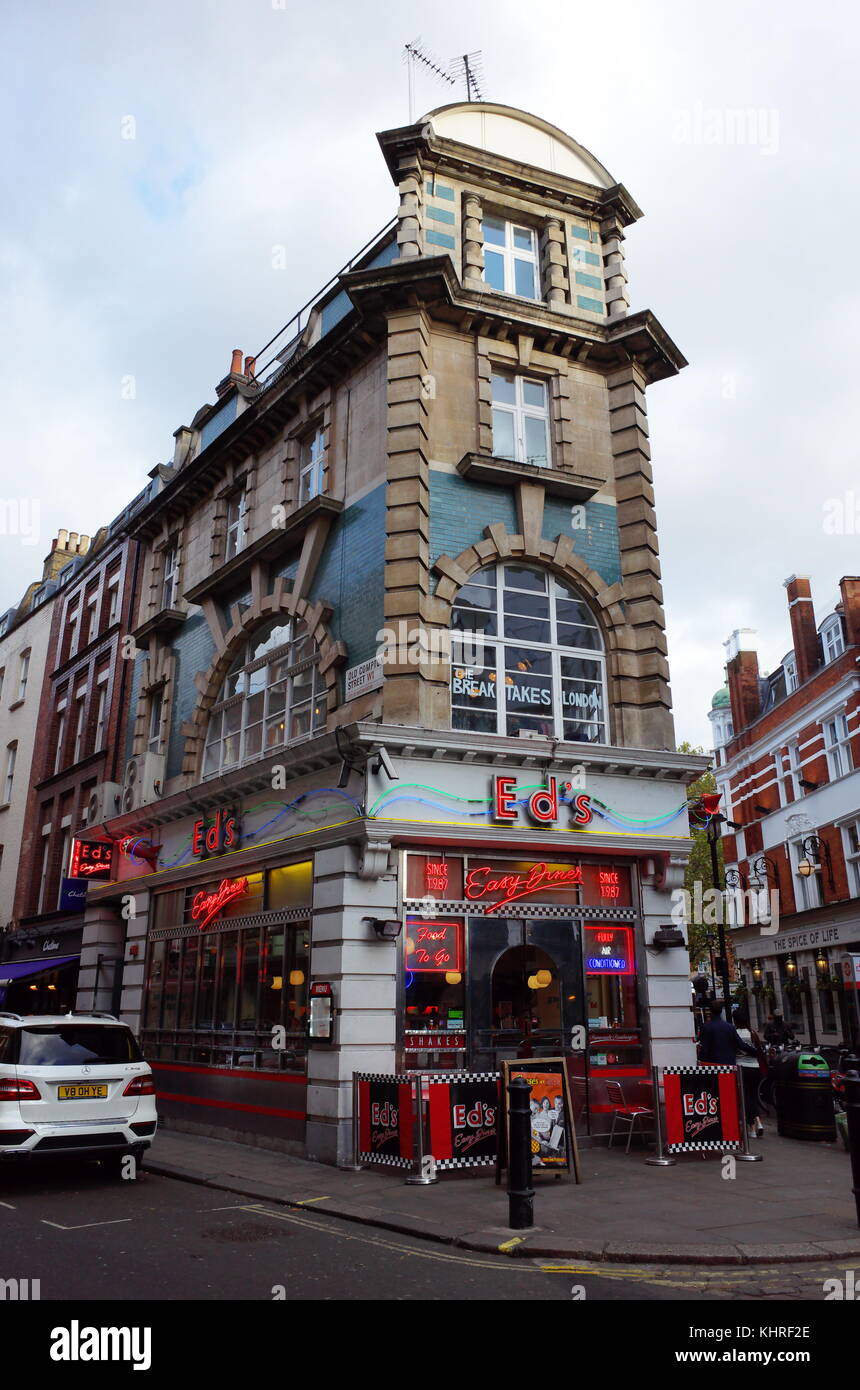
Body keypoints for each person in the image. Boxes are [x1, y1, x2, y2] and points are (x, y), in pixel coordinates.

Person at [734, 1006, 766, 1137]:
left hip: (741, 1067)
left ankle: (752, 1128)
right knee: (753, 1096)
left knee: (745, 1098)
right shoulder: (752, 1032)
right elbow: (759, 1050)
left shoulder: (735, 1033)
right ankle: (759, 1121)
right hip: (755, 1067)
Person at [698, 1001, 758, 1065]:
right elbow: (741, 1045)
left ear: (710, 1011)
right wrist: (756, 1052)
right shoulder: (730, 1027)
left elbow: (704, 1048)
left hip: (713, 1064)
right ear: (721, 1011)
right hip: (729, 1063)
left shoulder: (706, 1027)